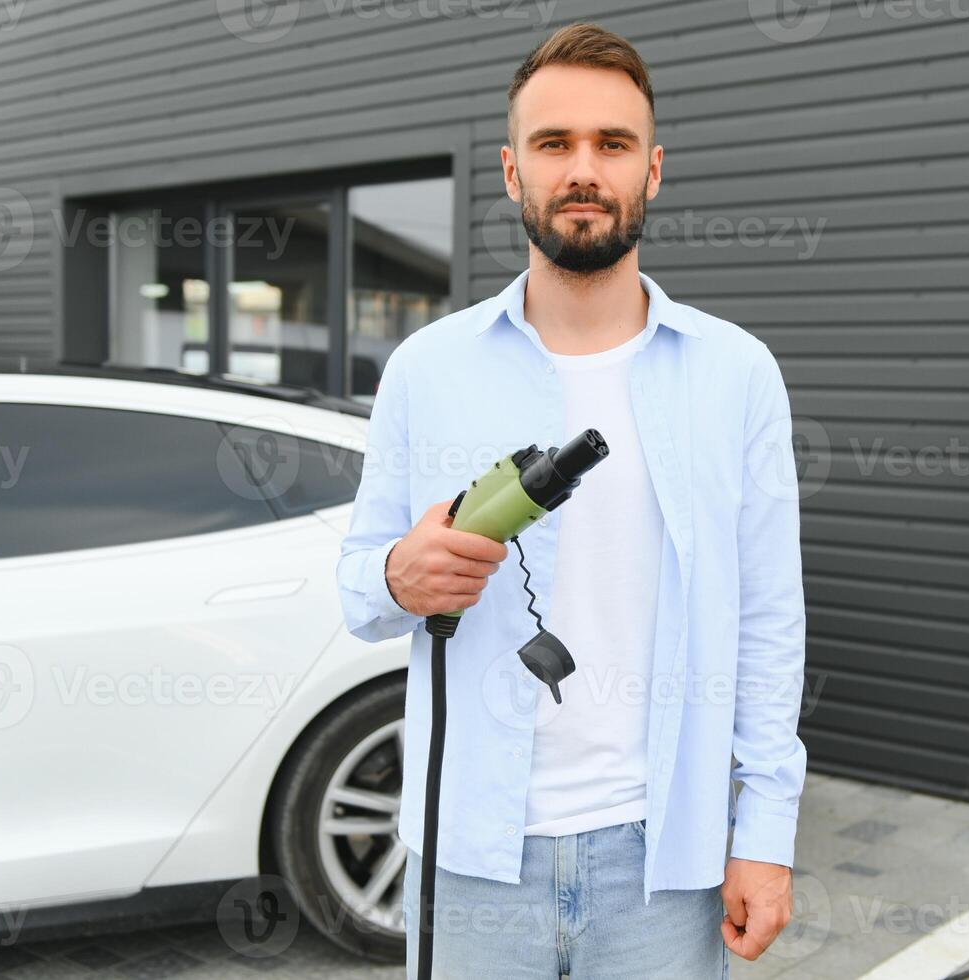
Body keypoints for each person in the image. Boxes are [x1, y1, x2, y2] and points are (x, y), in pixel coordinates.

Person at [336, 21, 807, 979]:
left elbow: (768, 620)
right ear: (512, 173)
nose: (582, 169)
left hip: (664, 860)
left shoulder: (735, 374)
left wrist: (764, 828)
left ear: (653, 170)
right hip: (472, 856)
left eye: (611, 144)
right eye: (554, 144)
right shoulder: (428, 369)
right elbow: (357, 594)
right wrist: (401, 572)